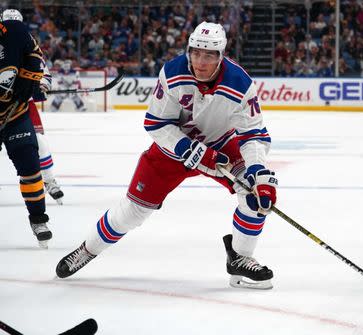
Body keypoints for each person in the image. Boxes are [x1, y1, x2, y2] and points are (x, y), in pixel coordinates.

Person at [56, 21, 278, 289]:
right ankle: (88, 249)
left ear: (221, 56)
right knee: (132, 212)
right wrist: (192, 150)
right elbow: (157, 124)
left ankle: (240, 259)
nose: (200, 61)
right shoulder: (173, 73)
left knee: (254, 195)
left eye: (209, 55)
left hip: (220, 146)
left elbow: (253, 134)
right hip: (171, 151)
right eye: (195, 52)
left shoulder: (240, 83)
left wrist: (257, 173)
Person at [0, 9, 52, 248]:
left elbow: (35, 56)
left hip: (16, 114)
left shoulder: (15, 31)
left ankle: (38, 219)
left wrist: (32, 81)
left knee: (30, 167)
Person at [29, 61, 65, 204]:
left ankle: (49, 180)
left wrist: (42, 85)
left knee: (41, 143)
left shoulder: (27, 44)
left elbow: (44, 73)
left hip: (25, 103)